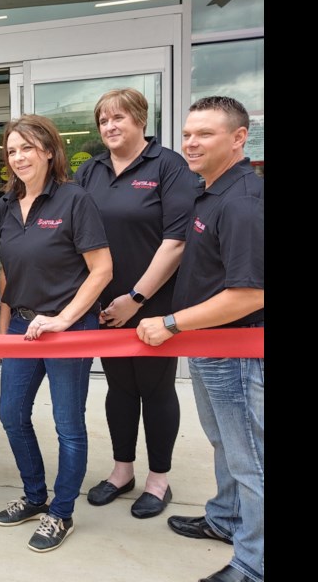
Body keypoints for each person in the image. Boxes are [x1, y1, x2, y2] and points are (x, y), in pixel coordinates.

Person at [137, 96, 263, 582]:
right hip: (213, 350)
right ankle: (226, 519)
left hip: (238, 352)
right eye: (188, 133)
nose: (191, 142)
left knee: (251, 461)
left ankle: (254, 565)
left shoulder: (242, 202)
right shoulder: (208, 191)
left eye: (205, 134)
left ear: (238, 139)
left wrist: (170, 323)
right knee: (225, 446)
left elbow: (248, 295)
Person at [0, 114, 112, 553]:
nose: (19, 157)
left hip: (70, 327)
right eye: (12, 150)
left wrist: (63, 319)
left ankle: (61, 513)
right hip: (22, 324)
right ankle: (35, 494)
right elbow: (7, 273)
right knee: (11, 414)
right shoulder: (4, 205)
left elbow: (102, 270)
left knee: (67, 425)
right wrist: (5, 331)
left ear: (48, 150)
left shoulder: (74, 200)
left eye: (27, 147)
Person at [75, 88, 198, 519]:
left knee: (155, 388)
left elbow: (177, 241)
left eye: (119, 118)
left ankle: (158, 479)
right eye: (103, 120)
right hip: (106, 305)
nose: (110, 126)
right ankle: (121, 470)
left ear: (140, 120)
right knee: (119, 388)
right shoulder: (89, 171)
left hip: (155, 303)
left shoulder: (168, 166)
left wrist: (136, 298)